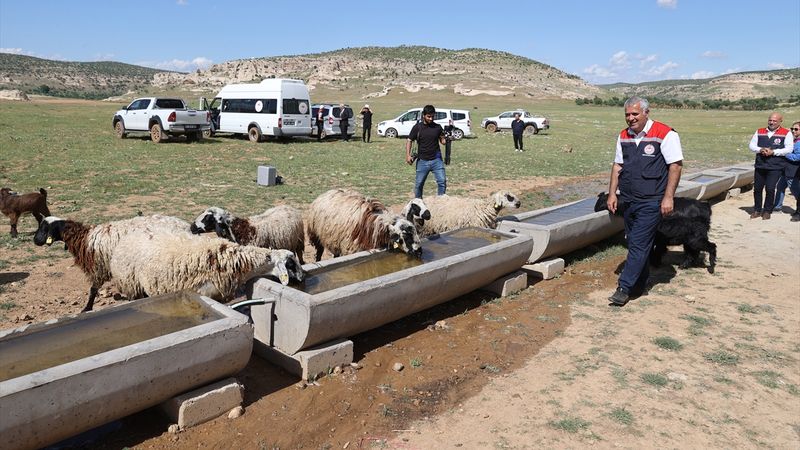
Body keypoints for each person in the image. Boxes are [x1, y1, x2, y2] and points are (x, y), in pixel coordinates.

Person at [606, 97, 683, 306]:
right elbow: (617, 166)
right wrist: (612, 194)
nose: (630, 118)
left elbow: (675, 166)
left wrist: (668, 197)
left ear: (646, 113)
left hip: (652, 199)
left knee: (638, 243)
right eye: (627, 115)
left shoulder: (665, 133)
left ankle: (624, 288)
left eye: (635, 114)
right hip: (629, 198)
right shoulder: (623, 136)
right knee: (634, 241)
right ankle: (639, 285)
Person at [748, 112, 792, 220]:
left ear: (780, 121)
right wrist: (760, 149)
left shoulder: (786, 133)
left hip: (775, 166)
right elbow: (752, 145)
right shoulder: (760, 131)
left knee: (770, 188)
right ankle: (757, 210)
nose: (771, 122)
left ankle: (767, 210)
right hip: (760, 165)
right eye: (770, 120)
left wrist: (774, 152)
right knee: (757, 189)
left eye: (774, 121)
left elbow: (789, 149)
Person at [406, 104, 447, 198]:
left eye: (432, 116)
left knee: (442, 181)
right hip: (422, 161)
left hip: (437, 160)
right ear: (423, 115)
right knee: (419, 184)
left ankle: (441, 202)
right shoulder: (417, 127)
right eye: (428, 116)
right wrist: (408, 155)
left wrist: (446, 139)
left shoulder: (438, 127)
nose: (431, 119)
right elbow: (409, 140)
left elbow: (442, 141)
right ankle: (418, 203)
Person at [786, 121, 800, 221]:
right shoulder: (795, 141)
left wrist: (785, 154)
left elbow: (798, 157)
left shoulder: (798, 143)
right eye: (792, 129)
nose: (793, 131)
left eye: (796, 129)